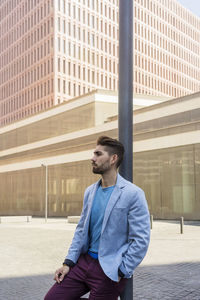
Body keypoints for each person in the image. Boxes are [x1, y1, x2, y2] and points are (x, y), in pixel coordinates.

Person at [44, 136, 150, 300]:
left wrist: (122, 270)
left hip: (110, 270)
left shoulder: (133, 194)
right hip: (83, 263)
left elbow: (141, 239)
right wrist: (68, 263)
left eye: (98, 154)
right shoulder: (90, 192)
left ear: (113, 158)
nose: (92, 158)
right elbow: (81, 230)